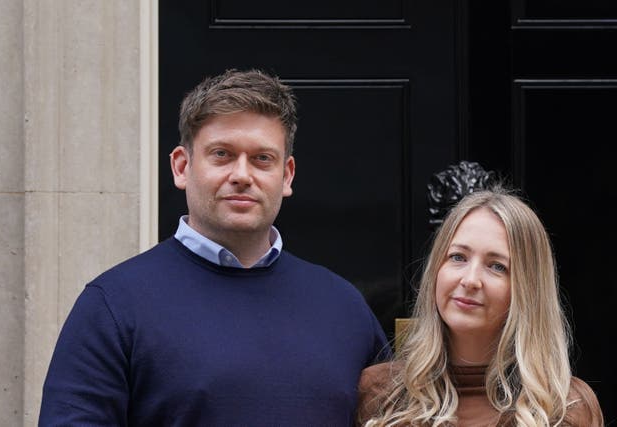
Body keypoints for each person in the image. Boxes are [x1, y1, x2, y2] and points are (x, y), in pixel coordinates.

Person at [39, 68, 390, 426]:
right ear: (181, 166)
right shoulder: (113, 306)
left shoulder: (343, 307)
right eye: (222, 154)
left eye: (262, 159)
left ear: (286, 176)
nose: (241, 174)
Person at [356, 186, 604, 426]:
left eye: (497, 266)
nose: (470, 279)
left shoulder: (566, 407)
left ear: (528, 289)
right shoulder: (380, 393)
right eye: (458, 257)